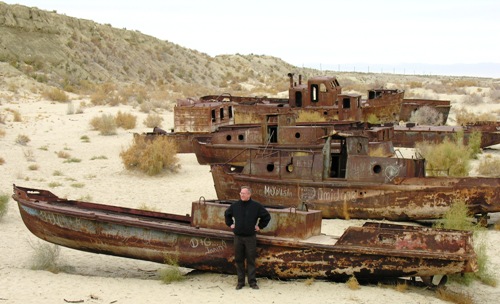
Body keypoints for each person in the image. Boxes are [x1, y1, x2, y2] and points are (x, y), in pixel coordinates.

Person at [224, 186, 271, 290]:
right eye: (241, 193)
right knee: (239, 260)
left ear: (249, 194)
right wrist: (230, 224)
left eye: (244, 193)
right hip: (238, 237)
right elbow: (227, 214)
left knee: (251, 260)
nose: (242, 195)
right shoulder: (235, 205)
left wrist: (260, 226)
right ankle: (240, 282)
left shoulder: (256, 206)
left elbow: (267, 216)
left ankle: (252, 282)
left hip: (250, 237)